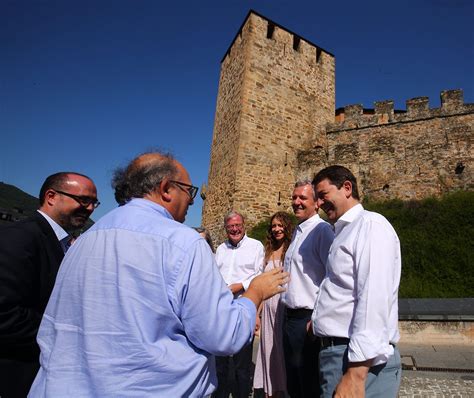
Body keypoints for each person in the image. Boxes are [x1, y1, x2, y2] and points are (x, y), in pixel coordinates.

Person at [28, 152, 288, 397]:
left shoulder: (84, 240)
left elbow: (55, 326)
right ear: (166, 188)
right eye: (189, 191)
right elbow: (222, 336)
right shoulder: (182, 242)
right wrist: (254, 293)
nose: (193, 200)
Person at [0, 172, 98, 398]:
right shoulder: (19, 238)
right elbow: (4, 314)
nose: (91, 208)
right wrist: (66, 335)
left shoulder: (59, 241)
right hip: (16, 377)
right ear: (51, 196)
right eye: (83, 200)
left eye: (94, 202)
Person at [312, 165, 402, 398]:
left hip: (356, 360)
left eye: (323, 195)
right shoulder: (343, 232)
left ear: (347, 188)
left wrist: (356, 374)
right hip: (340, 353)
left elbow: (374, 299)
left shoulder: (370, 225)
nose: (319, 204)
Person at [280, 180, 334, 397]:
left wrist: (318, 315)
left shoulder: (322, 231)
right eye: (294, 197)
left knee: (308, 383)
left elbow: (333, 275)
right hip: (290, 318)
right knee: (293, 382)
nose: (296, 202)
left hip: (307, 319)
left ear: (316, 203)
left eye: (302, 198)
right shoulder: (298, 232)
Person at [213, 211, 265, 398]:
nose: (234, 229)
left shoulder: (255, 246)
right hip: (222, 310)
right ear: (226, 228)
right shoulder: (220, 249)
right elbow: (214, 275)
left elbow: (259, 275)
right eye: (230, 226)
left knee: (242, 365)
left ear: (244, 225)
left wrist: (238, 286)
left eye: (237, 225)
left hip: (244, 308)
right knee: (220, 362)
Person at [253, 212, 294, 398]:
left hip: (283, 309)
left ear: (287, 226)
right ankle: (271, 391)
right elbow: (261, 287)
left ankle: (284, 391)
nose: (277, 229)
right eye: (274, 226)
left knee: (282, 354)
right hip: (267, 310)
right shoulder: (268, 252)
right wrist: (257, 314)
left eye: (280, 225)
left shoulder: (291, 250)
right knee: (268, 351)